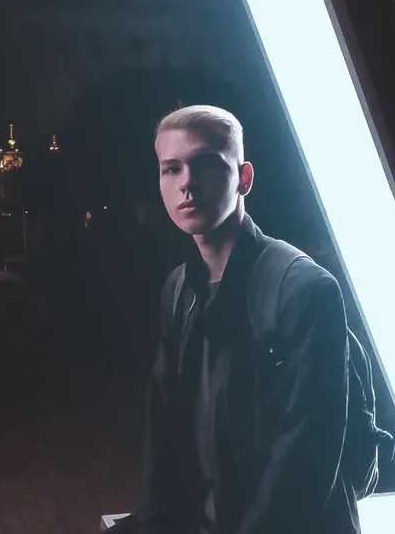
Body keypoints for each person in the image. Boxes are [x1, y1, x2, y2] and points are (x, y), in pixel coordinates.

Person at [139, 105, 365, 533]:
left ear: (244, 178)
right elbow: (163, 436)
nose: (186, 183)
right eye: (171, 169)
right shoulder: (178, 289)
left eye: (206, 164)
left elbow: (305, 459)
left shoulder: (305, 289)